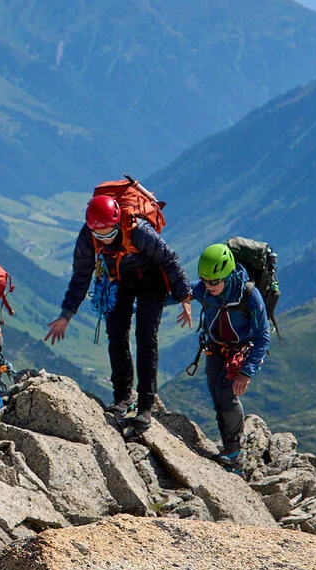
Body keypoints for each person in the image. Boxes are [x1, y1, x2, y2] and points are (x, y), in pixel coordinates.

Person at [45, 192, 192, 430]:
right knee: (116, 335)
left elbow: (169, 259)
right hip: (119, 280)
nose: (103, 239)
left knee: (146, 338)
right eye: (98, 235)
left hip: (151, 281)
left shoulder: (138, 230)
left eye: (109, 233)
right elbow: (81, 275)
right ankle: (122, 398)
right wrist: (66, 315)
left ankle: (145, 406)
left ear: (117, 223)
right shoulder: (87, 236)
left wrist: (185, 296)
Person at [189, 242, 270, 472]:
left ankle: (235, 453)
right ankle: (229, 451)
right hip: (216, 346)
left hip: (242, 349)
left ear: (227, 274)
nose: (209, 286)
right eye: (205, 280)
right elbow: (180, 291)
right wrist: (139, 304)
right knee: (217, 394)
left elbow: (263, 336)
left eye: (214, 281)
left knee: (226, 391)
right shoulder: (205, 289)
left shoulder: (249, 295)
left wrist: (247, 372)